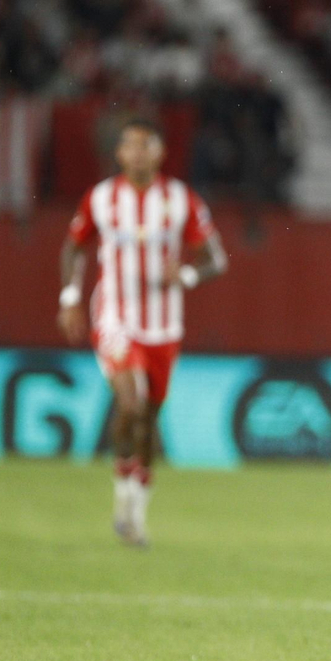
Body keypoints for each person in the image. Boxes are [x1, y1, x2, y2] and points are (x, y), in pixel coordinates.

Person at [56, 117, 227, 547]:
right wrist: (70, 297)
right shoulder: (101, 198)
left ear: (160, 152)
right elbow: (74, 246)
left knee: (149, 420)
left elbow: (216, 259)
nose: (137, 154)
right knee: (130, 404)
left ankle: (135, 511)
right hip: (115, 316)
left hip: (164, 326)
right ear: (118, 153)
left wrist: (185, 275)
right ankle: (121, 499)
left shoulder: (181, 200)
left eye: (146, 146)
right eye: (130, 146)